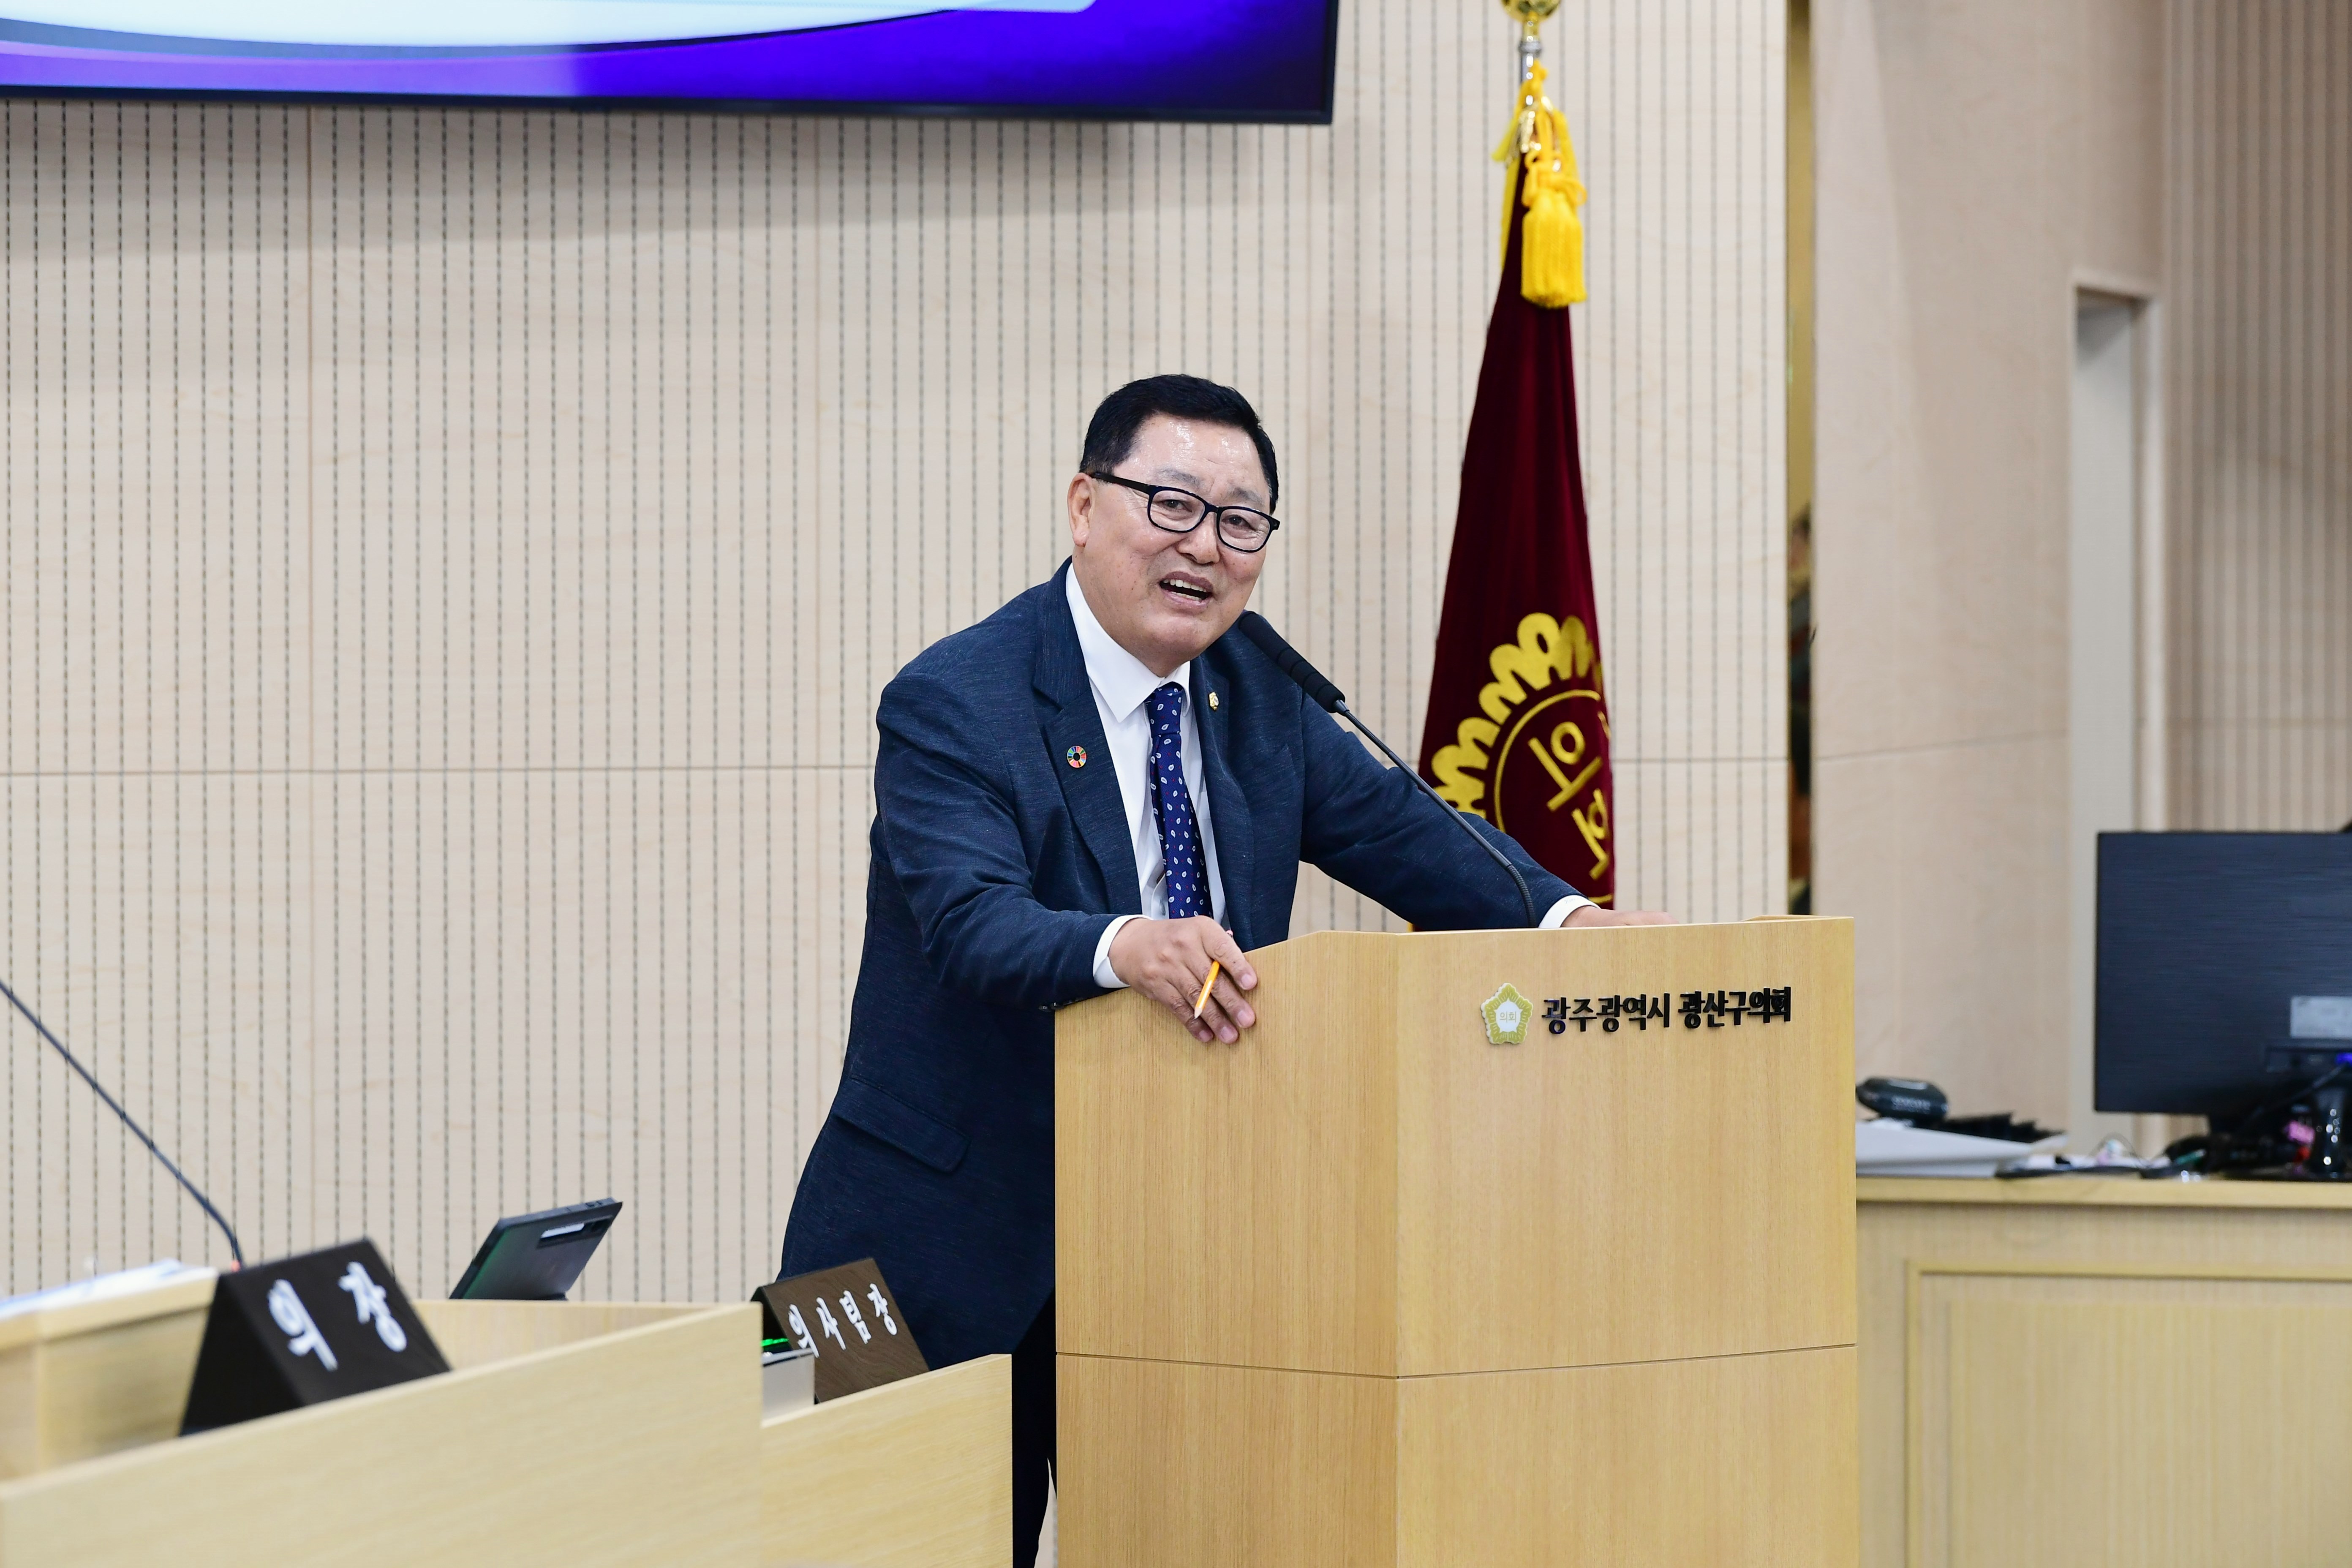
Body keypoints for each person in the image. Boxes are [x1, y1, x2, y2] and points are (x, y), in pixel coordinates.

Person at [777, 374, 1667, 1566]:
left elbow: (1415, 839)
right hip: (908, 1238)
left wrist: (1565, 926)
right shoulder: (954, 696)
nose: (1207, 546)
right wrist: (1122, 945)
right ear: (1085, 506)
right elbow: (970, 924)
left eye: (1242, 520)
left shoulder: (1264, 698)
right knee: (828, 1540)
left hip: (1174, 1239)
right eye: (1173, 505)